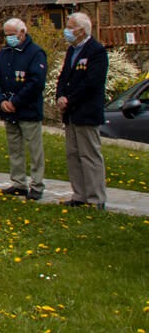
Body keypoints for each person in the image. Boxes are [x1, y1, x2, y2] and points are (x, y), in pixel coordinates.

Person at [55, 12, 108, 209]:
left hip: (86, 111)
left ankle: (96, 198)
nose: (67, 31)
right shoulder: (71, 51)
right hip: (70, 113)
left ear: (82, 30)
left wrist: (70, 99)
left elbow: (92, 82)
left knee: (90, 155)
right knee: (73, 154)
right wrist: (60, 96)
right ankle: (80, 194)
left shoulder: (96, 51)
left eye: (70, 27)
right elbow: (63, 77)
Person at [0, 18, 48, 200]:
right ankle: (18, 183)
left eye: (12, 34)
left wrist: (16, 101)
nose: (9, 38)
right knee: (15, 148)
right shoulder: (5, 53)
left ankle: (37, 185)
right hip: (8, 110)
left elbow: (36, 82)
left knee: (35, 150)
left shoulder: (35, 53)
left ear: (22, 32)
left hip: (28, 109)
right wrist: (1, 101)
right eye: (6, 35)